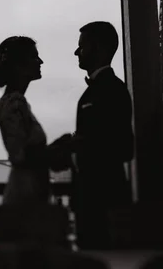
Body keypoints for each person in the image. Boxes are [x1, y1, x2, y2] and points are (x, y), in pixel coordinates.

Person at [49, 21, 134, 250]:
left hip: (105, 200)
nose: (77, 52)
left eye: (82, 46)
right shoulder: (93, 91)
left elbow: (125, 147)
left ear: (100, 48)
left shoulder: (114, 90)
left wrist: (79, 147)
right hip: (87, 200)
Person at [0, 36, 49, 205]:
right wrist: (57, 150)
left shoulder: (16, 102)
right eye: (34, 56)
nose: (40, 61)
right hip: (25, 195)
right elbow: (20, 155)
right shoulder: (13, 103)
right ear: (18, 65)